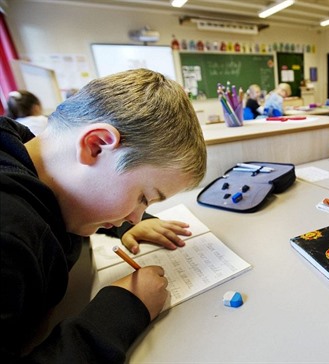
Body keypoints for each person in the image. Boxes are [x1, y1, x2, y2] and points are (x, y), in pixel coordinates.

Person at [0, 68, 207, 362]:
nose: (136, 217)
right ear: (96, 145)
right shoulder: (7, 234)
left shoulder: (26, 153)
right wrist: (123, 310)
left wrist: (121, 225)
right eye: (142, 198)